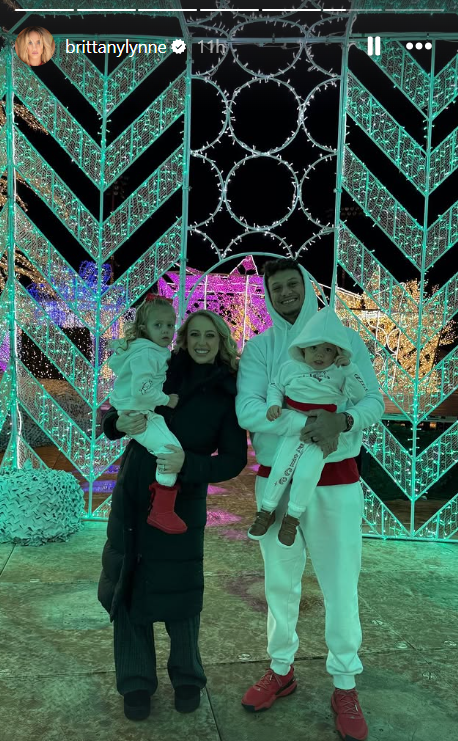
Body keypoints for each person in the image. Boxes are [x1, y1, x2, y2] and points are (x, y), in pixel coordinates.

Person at [236, 259, 384, 741]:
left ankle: (345, 682)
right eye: (275, 287)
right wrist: (308, 423)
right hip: (276, 483)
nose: (284, 293)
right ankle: (282, 669)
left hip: (337, 481)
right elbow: (249, 410)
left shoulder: (345, 341)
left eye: (292, 284)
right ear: (268, 294)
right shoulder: (261, 347)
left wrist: (340, 423)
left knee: (341, 583)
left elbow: (372, 402)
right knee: (279, 585)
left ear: (308, 287)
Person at [98, 309, 247, 722]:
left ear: (221, 342)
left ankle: (186, 677)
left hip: (182, 501)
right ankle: (135, 682)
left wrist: (189, 464)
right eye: (194, 335)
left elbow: (232, 460)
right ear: (182, 339)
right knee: (129, 581)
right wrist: (116, 422)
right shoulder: (161, 367)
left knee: (181, 592)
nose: (202, 343)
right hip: (134, 491)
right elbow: (123, 403)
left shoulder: (227, 392)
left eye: (210, 337)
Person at [248, 307, 367, 548]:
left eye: (328, 349)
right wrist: (273, 404)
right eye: (314, 348)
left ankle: (292, 518)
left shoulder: (339, 373)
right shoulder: (290, 367)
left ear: (337, 352)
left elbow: (359, 394)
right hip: (295, 426)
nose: (320, 355)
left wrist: (349, 369)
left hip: (323, 432)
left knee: (307, 474)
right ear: (303, 347)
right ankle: (266, 511)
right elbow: (275, 387)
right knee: (282, 467)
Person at [108, 293, 186, 535]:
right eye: (158, 325)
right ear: (144, 328)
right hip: (138, 413)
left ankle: (161, 505)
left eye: (170, 325)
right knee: (170, 449)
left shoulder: (151, 350)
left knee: (169, 447)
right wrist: (166, 399)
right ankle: (161, 509)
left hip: (138, 411)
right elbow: (140, 390)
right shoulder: (147, 354)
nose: (166, 330)